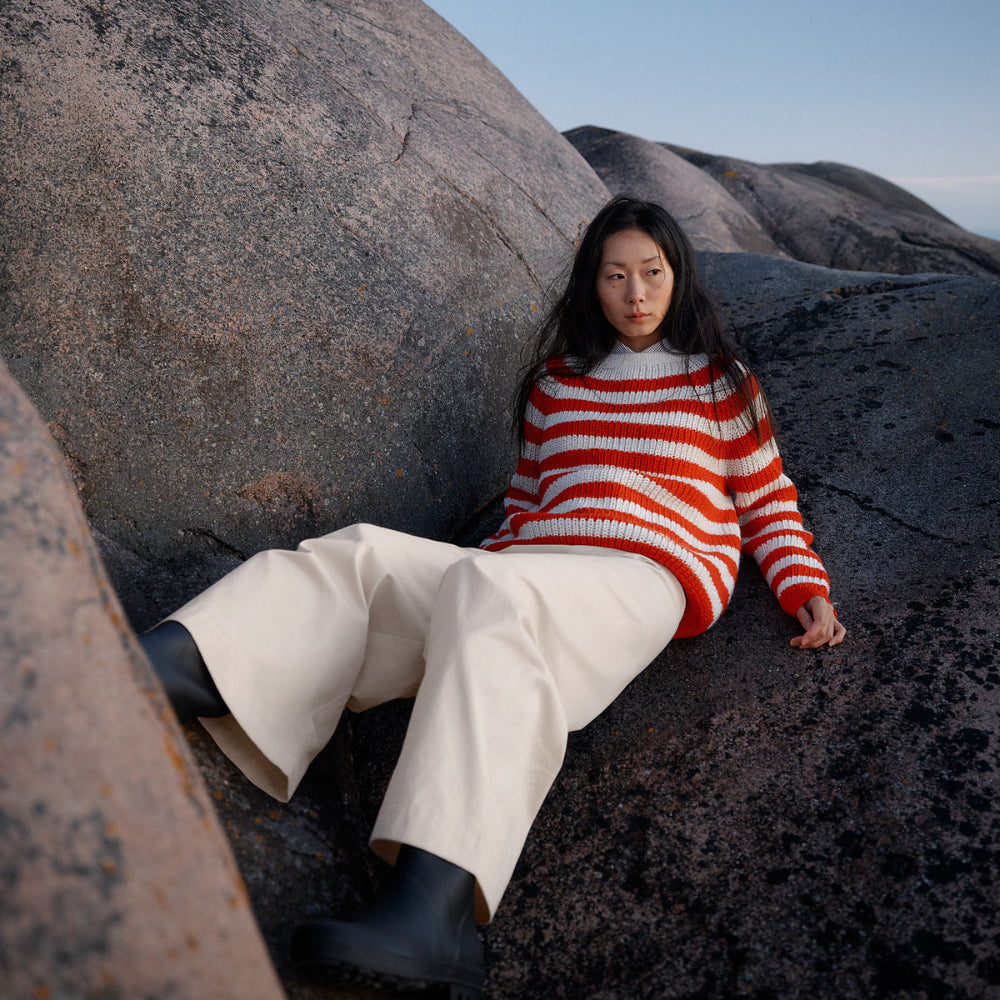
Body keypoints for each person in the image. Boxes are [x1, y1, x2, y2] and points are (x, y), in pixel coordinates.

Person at [141, 195, 846, 999]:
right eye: (615, 276)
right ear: (592, 286)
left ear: (678, 276)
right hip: (527, 565)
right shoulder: (556, 385)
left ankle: (435, 914)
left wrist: (804, 588)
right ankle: (176, 671)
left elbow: (767, 502)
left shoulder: (720, 382)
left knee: (489, 590)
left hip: (644, 574)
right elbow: (526, 504)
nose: (636, 294)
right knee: (364, 556)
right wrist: (460, 585)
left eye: (652, 273)